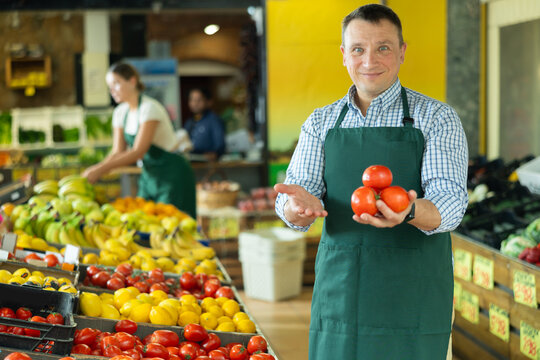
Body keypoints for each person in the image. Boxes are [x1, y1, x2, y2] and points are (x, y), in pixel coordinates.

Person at [274, 4, 468, 360]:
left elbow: (451, 202)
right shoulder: (321, 123)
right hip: (341, 289)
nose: (369, 61)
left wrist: (408, 210)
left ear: (402, 51)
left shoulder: (437, 118)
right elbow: (297, 192)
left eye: (383, 47)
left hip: (413, 290)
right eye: (358, 49)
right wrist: (296, 208)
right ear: (344, 55)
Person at [82, 62, 196, 218]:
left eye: (116, 83)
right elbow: (117, 152)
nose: (112, 90)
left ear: (132, 81)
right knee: (145, 220)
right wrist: (98, 169)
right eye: (109, 86)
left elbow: (138, 151)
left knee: (173, 225)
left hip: (173, 174)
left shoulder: (149, 109)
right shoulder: (120, 113)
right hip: (149, 175)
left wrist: (100, 170)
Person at [184, 88, 226, 161]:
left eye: (199, 100)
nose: (195, 103)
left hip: (208, 162)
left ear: (207, 101)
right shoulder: (189, 122)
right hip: (191, 160)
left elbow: (220, 145)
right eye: (192, 100)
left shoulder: (214, 120)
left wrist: (215, 153)